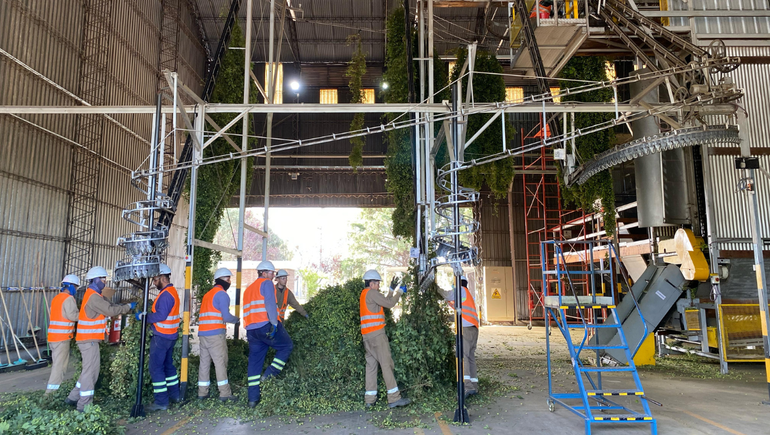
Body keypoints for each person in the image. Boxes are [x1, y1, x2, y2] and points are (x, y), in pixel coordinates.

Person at [66, 266, 135, 412]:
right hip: (88, 340)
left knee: (87, 370)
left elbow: (111, 305)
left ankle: (73, 397)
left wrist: (124, 307)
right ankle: (84, 405)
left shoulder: (95, 295)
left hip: (88, 340)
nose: (105, 281)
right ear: (95, 280)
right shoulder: (93, 297)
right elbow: (110, 310)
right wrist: (129, 306)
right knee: (91, 373)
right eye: (103, 279)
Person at [243, 260, 293, 408]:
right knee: (286, 346)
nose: (273, 276)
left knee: (254, 362)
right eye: (272, 273)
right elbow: (270, 304)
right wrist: (275, 324)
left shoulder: (248, 289)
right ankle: (269, 375)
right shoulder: (267, 284)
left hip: (252, 330)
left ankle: (252, 399)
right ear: (264, 273)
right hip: (266, 325)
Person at [360, 270, 411, 408]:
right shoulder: (372, 293)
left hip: (367, 337)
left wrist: (391, 290)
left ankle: (369, 399)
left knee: (371, 367)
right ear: (371, 283)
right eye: (377, 283)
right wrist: (400, 292)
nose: (378, 286)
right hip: (377, 335)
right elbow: (390, 304)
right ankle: (394, 398)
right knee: (386, 364)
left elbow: (384, 302)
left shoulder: (364, 294)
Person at [136, 264, 181, 412]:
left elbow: (161, 315)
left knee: (156, 368)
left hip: (161, 336)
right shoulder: (172, 292)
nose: (154, 283)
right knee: (168, 366)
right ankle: (175, 395)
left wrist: (144, 317)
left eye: (155, 280)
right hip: (170, 336)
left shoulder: (166, 295)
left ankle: (161, 401)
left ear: (163, 278)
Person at [197, 267, 240, 401]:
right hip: (215, 335)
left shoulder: (207, 295)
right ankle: (225, 393)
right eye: (228, 279)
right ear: (221, 280)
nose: (229, 281)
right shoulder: (222, 295)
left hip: (203, 334)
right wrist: (237, 320)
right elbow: (226, 317)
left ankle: (202, 393)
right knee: (220, 363)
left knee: (204, 363)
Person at [440, 275, 479, 397]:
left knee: (463, 356)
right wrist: (446, 317)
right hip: (473, 329)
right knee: (470, 356)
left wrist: (436, 288)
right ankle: (474, 385)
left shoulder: (461, 290)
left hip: (466, 329)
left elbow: (447, 295)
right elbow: (460, 313)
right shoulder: (467, 295)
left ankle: (467, 386)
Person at [45, 274, 80, 396]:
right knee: (59, 367)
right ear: (71, 286)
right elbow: (73, 316)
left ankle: (52, 392)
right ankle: (51, 394)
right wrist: (85, 315)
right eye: (76, 287)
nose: (76, 289)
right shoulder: (69, 299)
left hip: (53, 337)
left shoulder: (56, 298)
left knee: (56, 364)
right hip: (62, 338)